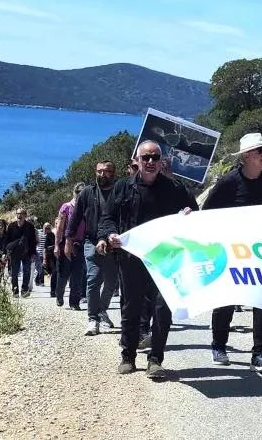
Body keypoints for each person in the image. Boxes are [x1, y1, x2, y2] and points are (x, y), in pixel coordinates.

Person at [98, 140, 197, 378]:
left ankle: (156, 360)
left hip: (165, 260)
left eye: (155, 157)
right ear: (137, 161)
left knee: (163, 308)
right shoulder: (122, 187)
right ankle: (128, 357)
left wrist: (189, 215)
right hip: (131, 259)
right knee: (130, 308)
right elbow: (107, 217)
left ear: (162, 161)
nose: (150, 162)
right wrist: (109, 235)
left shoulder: (175, 188)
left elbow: (194, 215)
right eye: (146, 158)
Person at [203, 133, 262, 375]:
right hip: (231, 252)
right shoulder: (228, 183)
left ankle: (259, 353)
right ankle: (219, 345)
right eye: (260, 151)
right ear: (246, 156)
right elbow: (207, 213)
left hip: (260, 253)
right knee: (227, 300)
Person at [67, 161, 120, 336]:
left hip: (114, 242)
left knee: (112, 281)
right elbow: (75, 218)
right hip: (91, 241)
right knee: (93, 279)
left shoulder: (120, 191)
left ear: (113, 173)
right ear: (95, 172)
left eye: (107, 171)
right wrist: (68, 240)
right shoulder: (87, 193)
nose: (103, 174)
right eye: (99, 171)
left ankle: (102, 310)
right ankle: (93, 319)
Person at [55, 184, 87, 310]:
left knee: (77, 274)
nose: (80, 195)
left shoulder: (86, 208)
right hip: (65, 243)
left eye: (83, 193)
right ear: (74, 192)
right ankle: (59, 295)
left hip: (80, 244)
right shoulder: (66, 207)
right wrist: (57, 245)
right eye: (78, 192)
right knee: (63, 273)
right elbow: (59, 228)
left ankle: (74, 302)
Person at [6, 208, 37, 297]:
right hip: (14, 253)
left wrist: (33, 253)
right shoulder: (11, 226)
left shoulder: (30, 227)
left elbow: (33, 241)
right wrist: (6, 252)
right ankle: (15, 291)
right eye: (18, 214)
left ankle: (24, 290)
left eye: (22, 214)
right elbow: (7, 239)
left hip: (27, 253)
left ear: (25, 215)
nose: (19, 215)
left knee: (26, 272)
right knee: (14, 273)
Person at [34, 222, 46, 286]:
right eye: (46, 228)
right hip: (38, 253)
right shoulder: (39, 233)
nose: (47, 229)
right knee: (40, 268)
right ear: (43, 227)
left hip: (45, 254)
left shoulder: (49, 234)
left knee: (42, 268)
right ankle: (40, 281)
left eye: (48, 228)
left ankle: (38, 281)